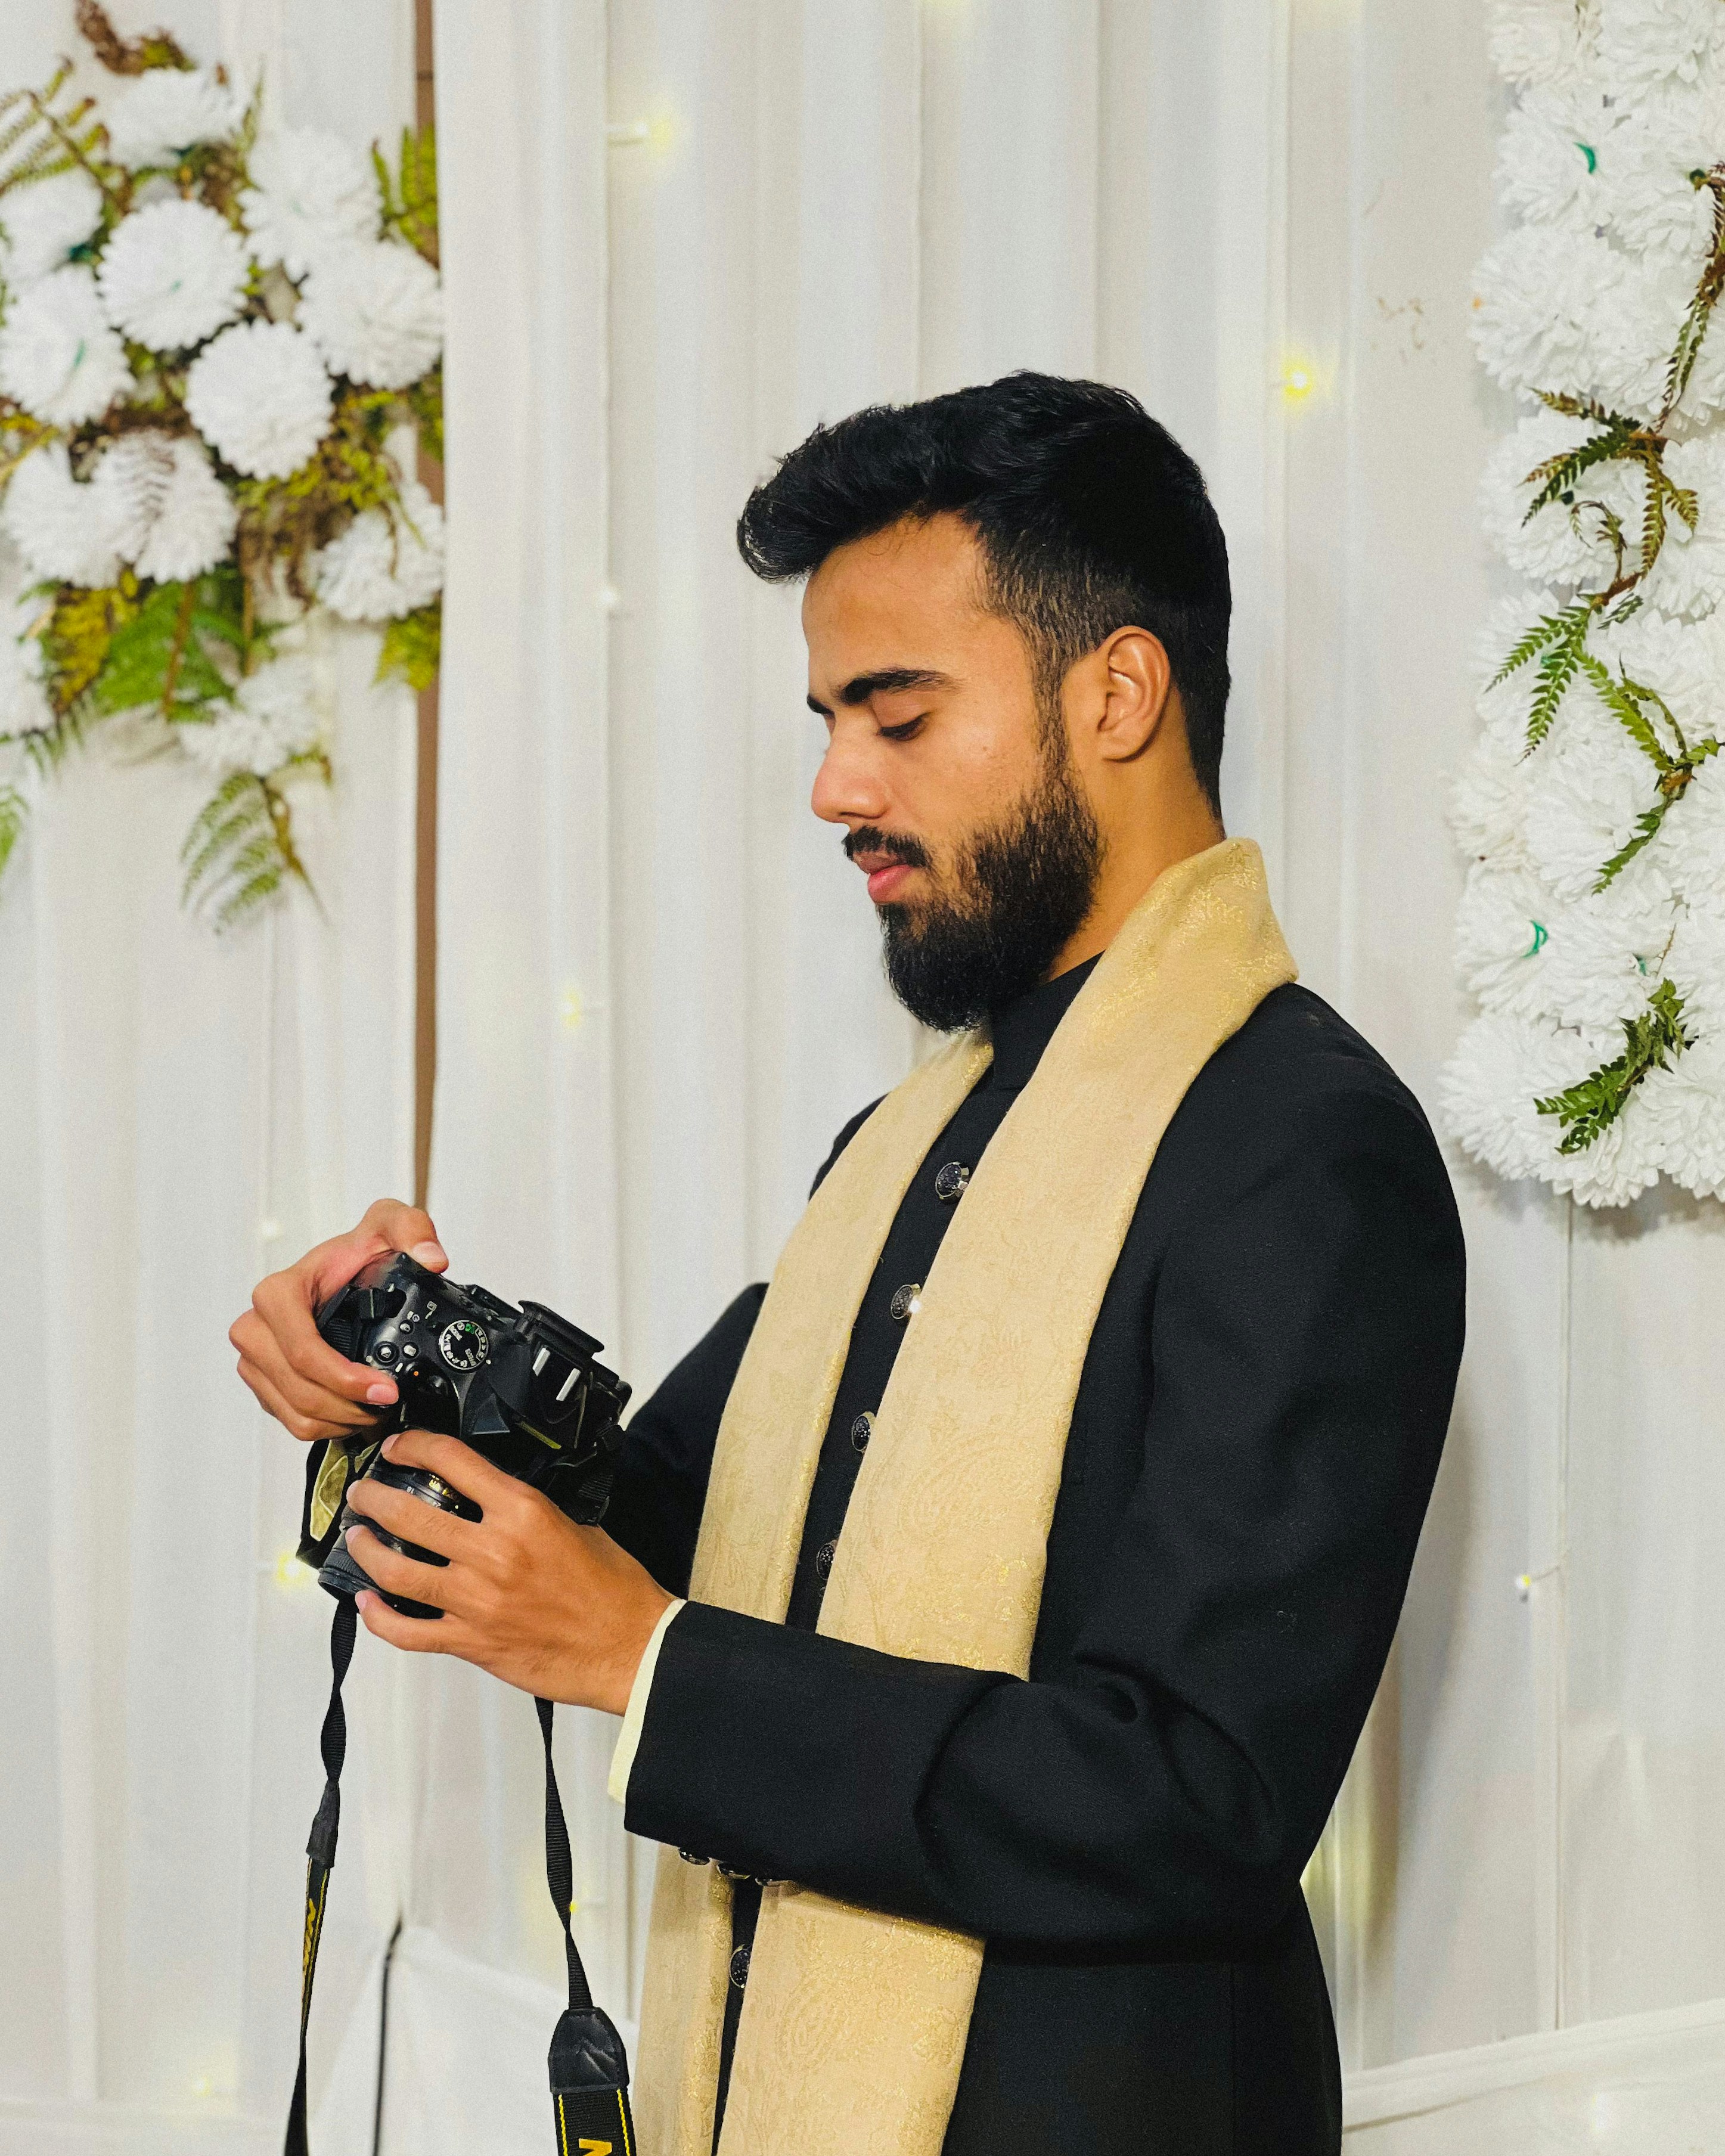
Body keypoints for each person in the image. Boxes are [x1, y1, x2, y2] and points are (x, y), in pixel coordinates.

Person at [231, 374, 1465, 2156]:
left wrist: (649, 1666)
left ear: (1119, 692)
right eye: (829, 722)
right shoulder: (900, 1144)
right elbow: (661, 1524)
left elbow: (1197, 1795)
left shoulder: (1306, 1147)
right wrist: (391, 1374)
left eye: (898, 715)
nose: (836, 788)